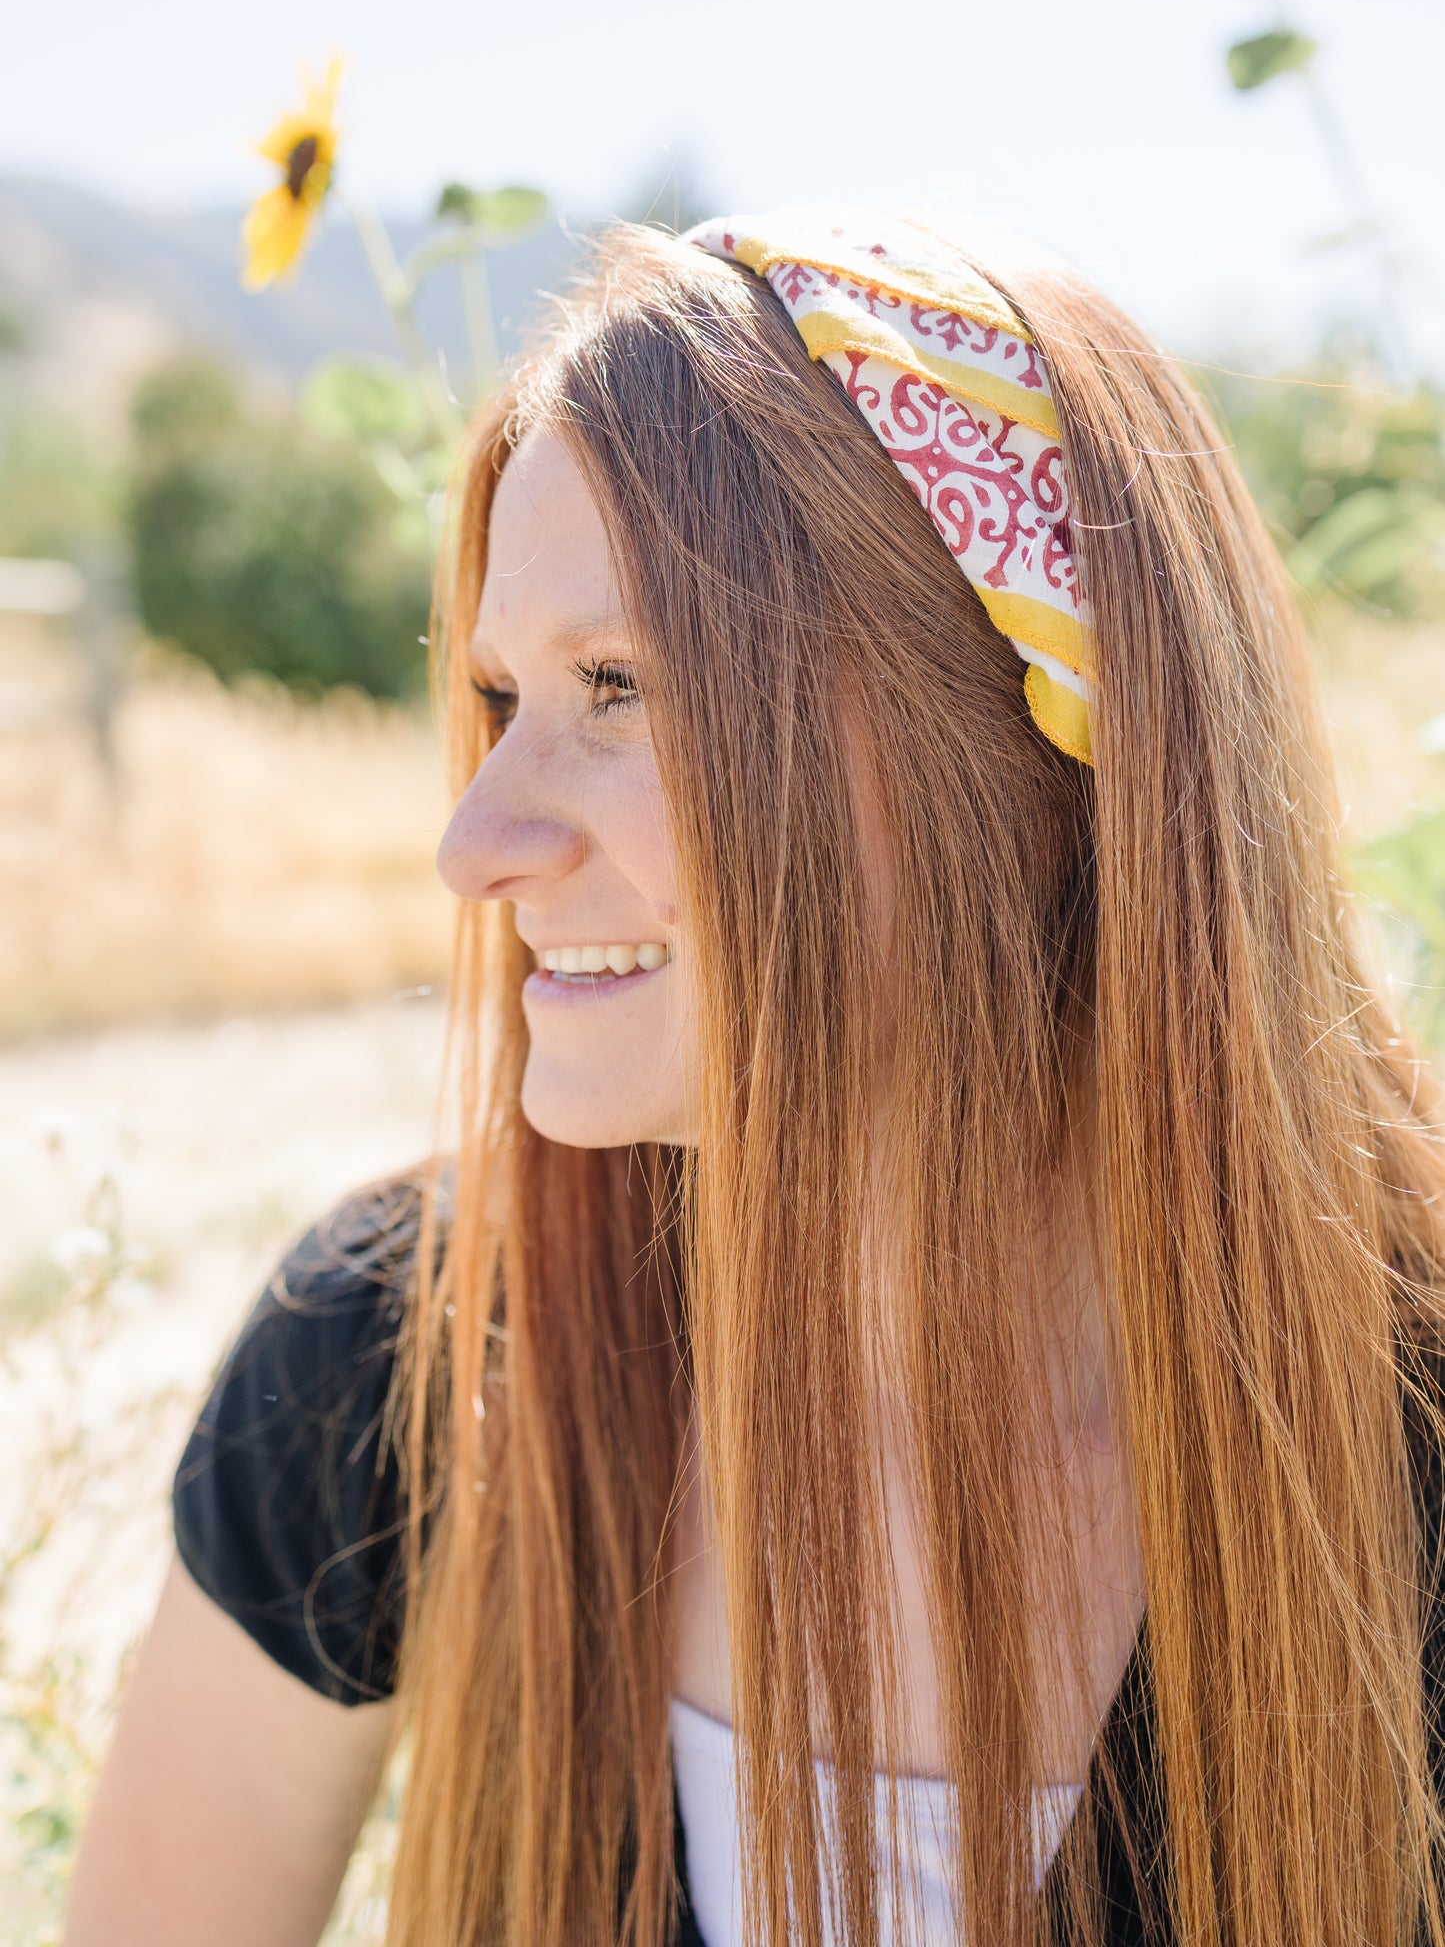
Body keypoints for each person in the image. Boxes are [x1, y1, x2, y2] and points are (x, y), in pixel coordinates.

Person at [64, 208, 1445, 1947]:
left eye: (621, 687)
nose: (475, 840)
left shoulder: (1406, 1459)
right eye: (500, 697)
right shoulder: (406, 1360)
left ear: (1012, 756)